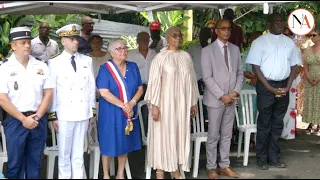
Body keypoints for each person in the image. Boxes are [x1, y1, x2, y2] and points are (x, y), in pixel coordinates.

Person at [246, 13, 301, 170]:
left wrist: (288, 85)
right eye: (275, 21)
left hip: (284, 85)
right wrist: (269, 88)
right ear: (269, 24)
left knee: (277, 124)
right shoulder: (259, 42)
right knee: (264, 123)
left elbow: (294, 66)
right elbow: (255, 67)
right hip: (266, 86)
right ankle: (262, 158)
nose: (279, 24)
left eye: (281, 21)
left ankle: (274, 157)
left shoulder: (289, 43)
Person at [144, 26, 199, 179]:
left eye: (180, 35)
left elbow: (192, 81)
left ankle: (174, 168)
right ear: (167, 38)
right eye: (174, 35)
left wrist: (193, 102)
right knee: (163, 135)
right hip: (164, 105)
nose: (178, 38)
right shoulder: (160, 58)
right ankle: (160, 171)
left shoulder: (186, 56)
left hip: (181, 105)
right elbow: (154, 83)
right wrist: (154, 105)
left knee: (177, 135)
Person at [0, 26, 53, 179]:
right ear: (13, 45)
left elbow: (48, 94)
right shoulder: (4, 68)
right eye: (22, 42)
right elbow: (2, 98)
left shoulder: (41, 66)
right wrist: (23, 119)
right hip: (16, 121)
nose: (27, 46)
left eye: (28, 42)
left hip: (38, 120)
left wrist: (37, 117)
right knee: (15, 164)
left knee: (35, 163)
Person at [47, 24, 96, 179]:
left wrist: (91, 112)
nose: (76, 42)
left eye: (77, 39)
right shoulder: (54, 62)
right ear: (63, 41)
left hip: (82, 112)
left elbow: (91, 87)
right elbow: (52, 90)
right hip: (64, 113)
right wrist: (53, 115)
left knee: (78, 155)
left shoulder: (87, 60)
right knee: (64, 155)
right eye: (72, 39)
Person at [201, 19, 243, 179]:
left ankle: (224, 165)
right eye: (223, 29)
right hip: (215, 100)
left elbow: (240, 73)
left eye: (229, 29)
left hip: (231, 99)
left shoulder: (235, 49)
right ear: (216, 31)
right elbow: (207, 77)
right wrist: (222, 96)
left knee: (227, 134)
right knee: (213, 135)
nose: (227, 31)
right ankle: (211, 167)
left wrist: (235, 93)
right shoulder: (207, 51)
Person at [96, 38, 143, 179]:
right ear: (111, 53)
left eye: (125, 48)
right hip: (111, 111)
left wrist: (133, 103)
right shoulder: (105, 69)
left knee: (125, 141)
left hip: (128, 111)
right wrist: (124, 105)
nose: (123, 51)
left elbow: (140, 88)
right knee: (108, 141)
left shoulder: (133, 66)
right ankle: (105, 174)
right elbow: (104, 92)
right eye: (119, 49)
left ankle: (120, 174)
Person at [127, 31, 157, 133]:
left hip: (152, 87)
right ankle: (137, 136)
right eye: (142, 39)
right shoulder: (130, 55)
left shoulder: (154, 53)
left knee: (149, 111)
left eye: (147, 39)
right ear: (138, 41)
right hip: (137, 88)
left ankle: (148, 136)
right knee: (136, 111)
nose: (145, 41)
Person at [302, 28, 320, 135]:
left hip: (319, 78)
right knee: (312, 101)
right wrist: (308, 77)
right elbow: (305, 65)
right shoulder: (308, 49)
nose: (311, 38)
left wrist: (318, 79)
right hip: (310, 79)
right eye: (310, 36)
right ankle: (312, 123)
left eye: (314, 35)